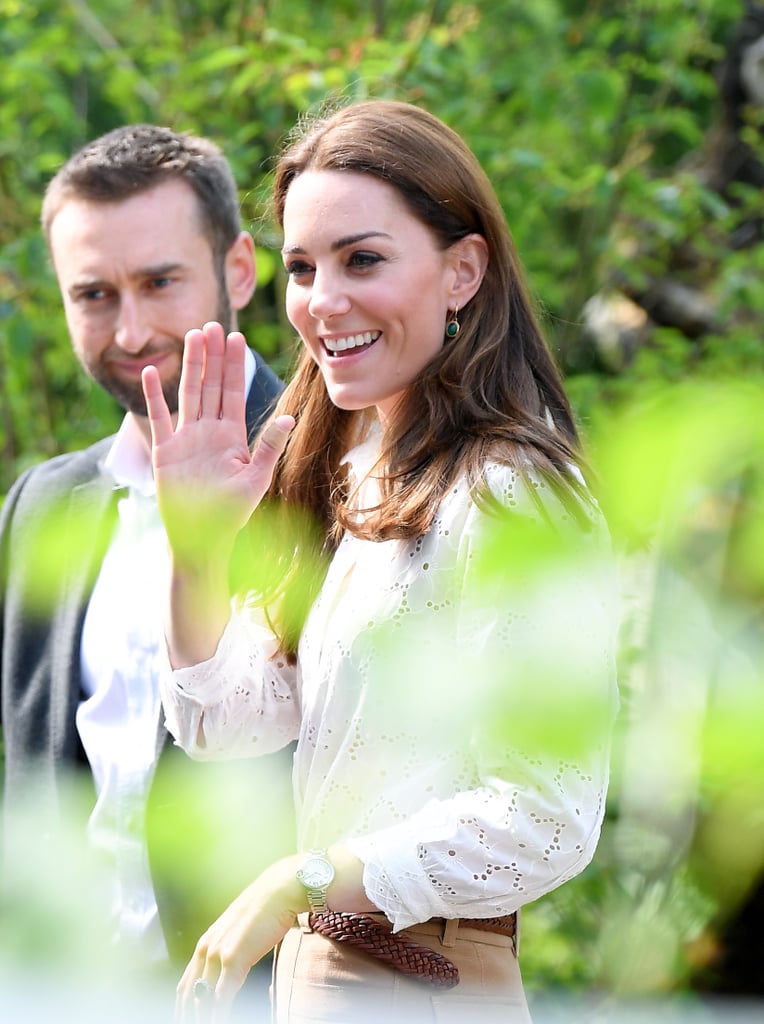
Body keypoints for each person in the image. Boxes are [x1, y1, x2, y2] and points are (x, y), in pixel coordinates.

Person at [142, 100, 618, 1022]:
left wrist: (307, 877)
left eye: (363, 259)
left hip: (423, 979)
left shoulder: (513, 494)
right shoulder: (343, 468)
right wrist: (196, 557)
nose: (323, 300)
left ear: (462, 271)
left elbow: (549, 816)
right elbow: (229, 725)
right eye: (302, 268)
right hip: (320, 978)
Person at [0, 125, 287, 980]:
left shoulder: (341, 469)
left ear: (239, 269)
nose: (130, 331)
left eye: (160, 282)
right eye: (93, 295)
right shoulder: (39, 504)